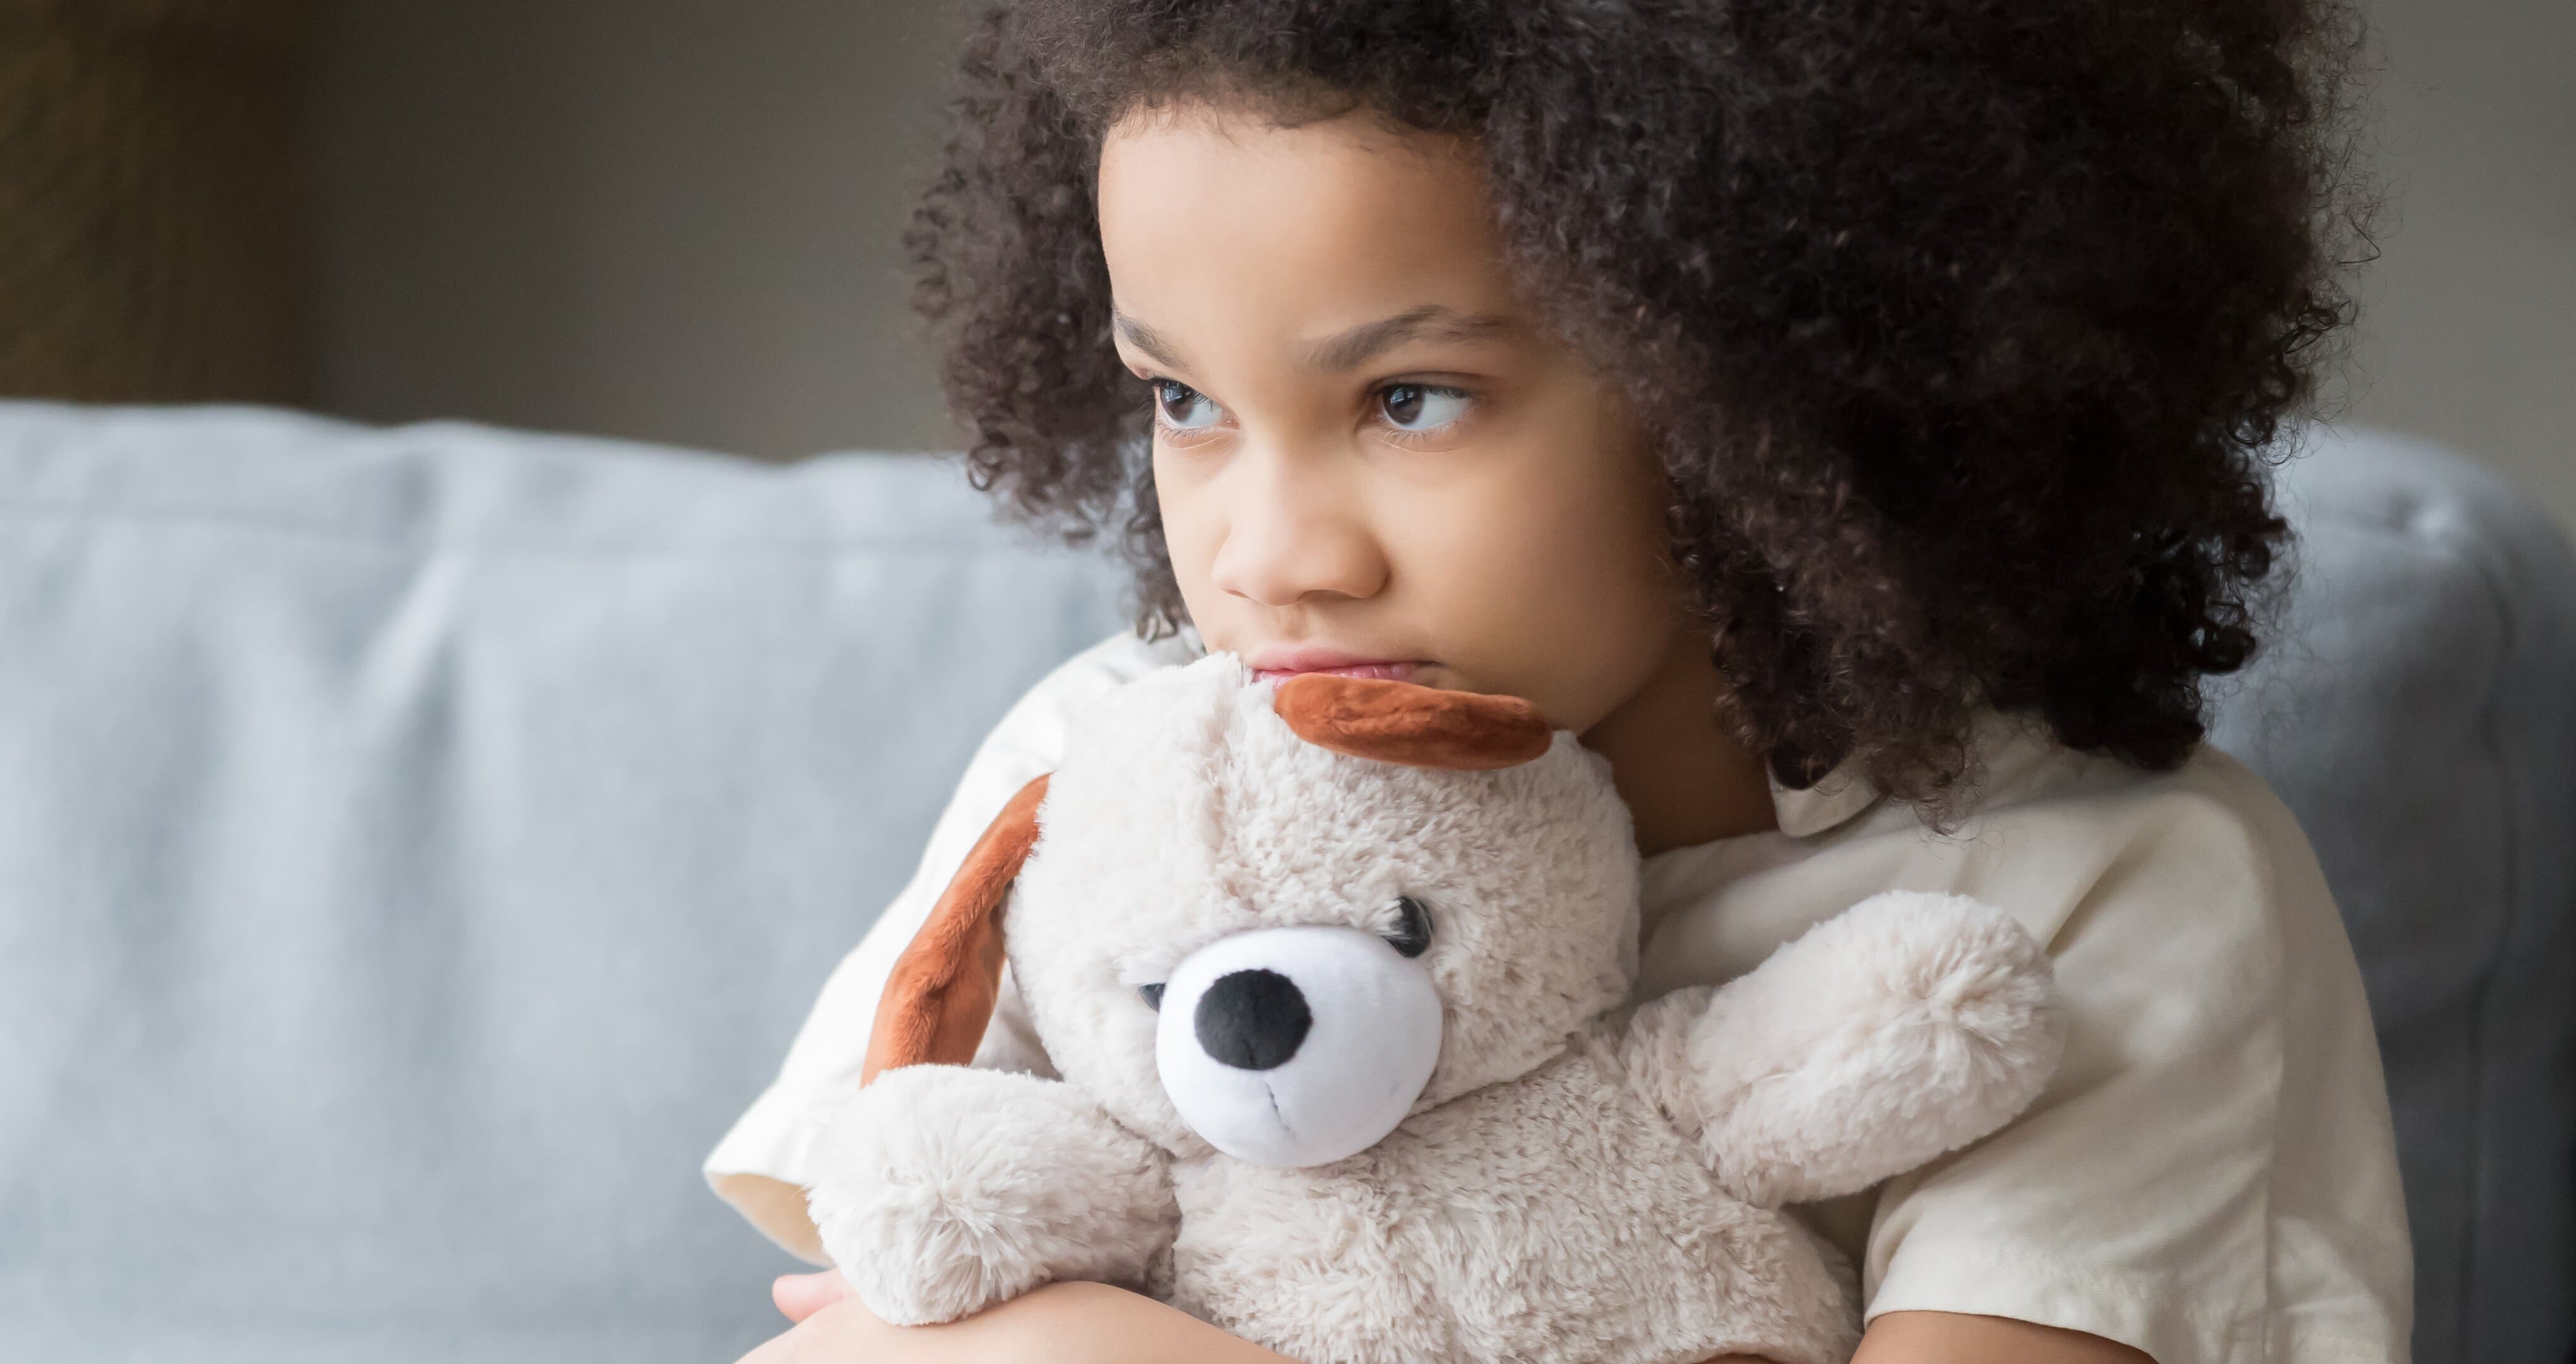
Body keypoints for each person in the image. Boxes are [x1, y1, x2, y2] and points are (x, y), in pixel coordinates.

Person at [709, 2, 2408, 1361]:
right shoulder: (1107, 767)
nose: (1269, 556)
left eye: (1411, 399)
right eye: (1184, 402)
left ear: (1764, 381)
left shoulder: (2104, 890)